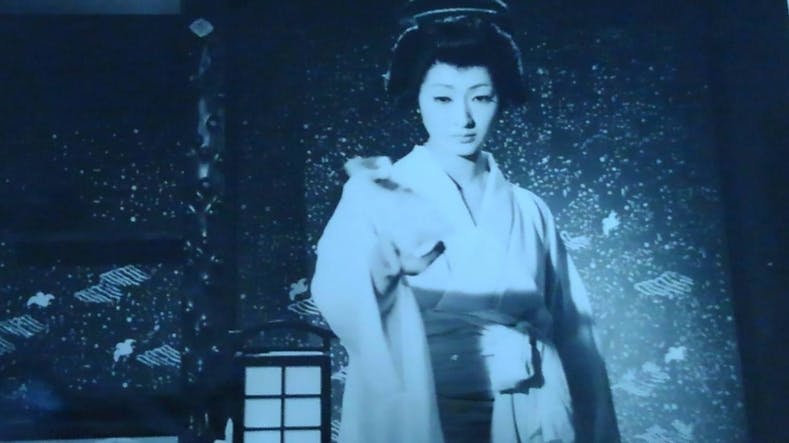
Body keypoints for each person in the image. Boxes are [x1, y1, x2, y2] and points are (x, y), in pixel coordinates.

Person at [310, 1, 620, 442]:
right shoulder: (377, 194)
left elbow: (576, 335)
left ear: (500, 98)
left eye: (481, 97)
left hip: (531, 406)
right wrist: (383, 271)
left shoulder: (529, 209)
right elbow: (337, 295)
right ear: (417, 98)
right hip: (426, 405)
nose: (464, 118)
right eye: (443, 98)